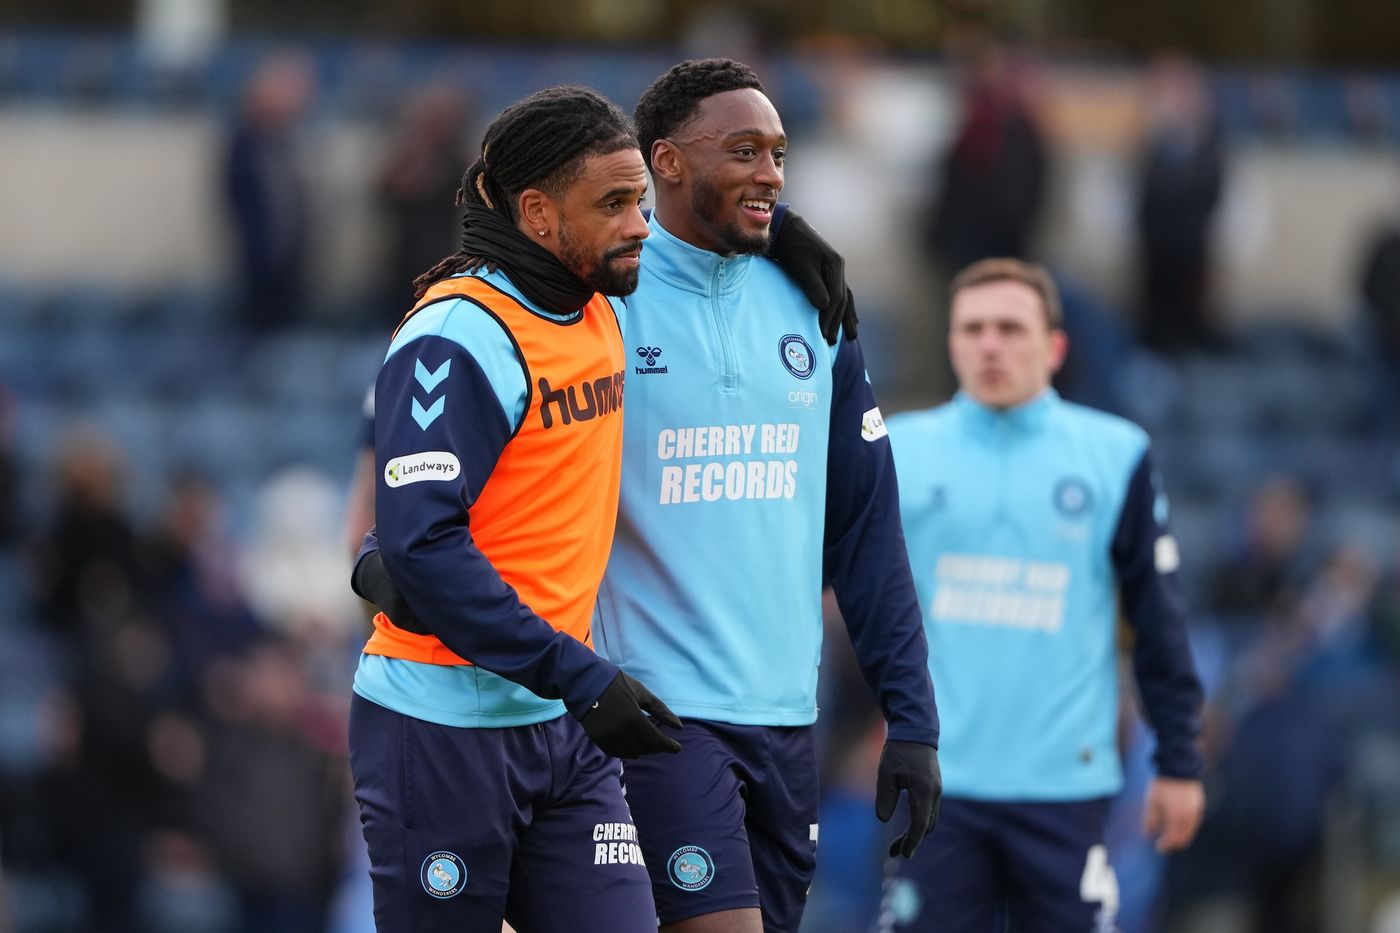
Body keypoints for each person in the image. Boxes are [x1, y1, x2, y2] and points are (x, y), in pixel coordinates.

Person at [357, 60, 941, 933]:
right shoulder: (601, 295)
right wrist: (390, 556)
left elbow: (866, 526)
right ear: (666, 159)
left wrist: (913, 714)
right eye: (743, 151)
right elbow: (469, 441)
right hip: (640, 707)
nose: (770, 174)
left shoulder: (810, 303)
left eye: (779, 155)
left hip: (776, 712)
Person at [348, 85, 685, 933]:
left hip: (563, 722)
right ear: (537, 213)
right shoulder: (458, 336)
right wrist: (577, 672)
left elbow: (719, 239)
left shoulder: (602, 296)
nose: (640, 224)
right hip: (441, 725)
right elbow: (424, 542)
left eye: (640, 199)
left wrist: (796, 243)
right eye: (614, 204)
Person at [877, 258, 1205, 933]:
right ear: (951, 343)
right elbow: (838, 592)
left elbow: (1158, 619)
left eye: (1010, 328)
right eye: (973, 329)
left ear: (1054, 347)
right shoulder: (897, 450)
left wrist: (1178, 760)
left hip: (1065, 787)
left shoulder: (1115, 455)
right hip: (938, 783)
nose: (990, 345)